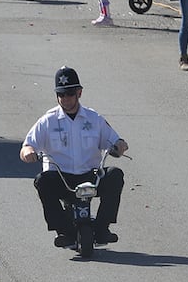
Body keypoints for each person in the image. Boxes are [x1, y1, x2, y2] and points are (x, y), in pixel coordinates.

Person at [20, 66, 128, 249]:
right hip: (62, 178)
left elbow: (116, 140)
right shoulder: (48, 121)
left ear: (79, 93)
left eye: (70, 94)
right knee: (42, 181)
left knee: (115, 175)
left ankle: (102, 228)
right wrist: (28, 152)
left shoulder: (94, 119)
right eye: (61, 94)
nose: (65, 99)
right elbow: (27, 145)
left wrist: (119, 146)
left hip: (90, 176)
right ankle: (63, 231)